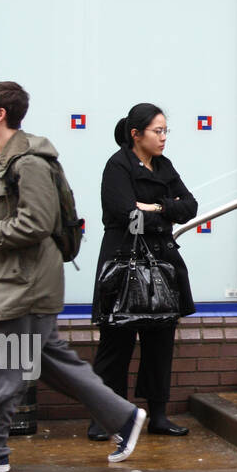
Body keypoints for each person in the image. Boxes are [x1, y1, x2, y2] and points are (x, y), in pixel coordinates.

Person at [0, 82, 145, 472]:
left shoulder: (29, 162)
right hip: (19, 277)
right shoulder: (1, 160)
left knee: (0, 365)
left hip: (28, 281)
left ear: (1, 113)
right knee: (51, 361)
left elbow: (36, 223)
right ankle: (122, 417)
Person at [88, 103, 198, 440]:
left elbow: (190, 206)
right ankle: (105, 418)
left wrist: (156, 207)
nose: (164, 137)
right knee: (116, 342)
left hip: (162, 264)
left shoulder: (164, 166)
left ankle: (159, 416)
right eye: (157, 131)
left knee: (160, 340)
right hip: (124, 263)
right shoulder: (117, 165)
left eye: (166, 130)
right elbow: (125, 215)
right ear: (136, 134)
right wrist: (162, 212)